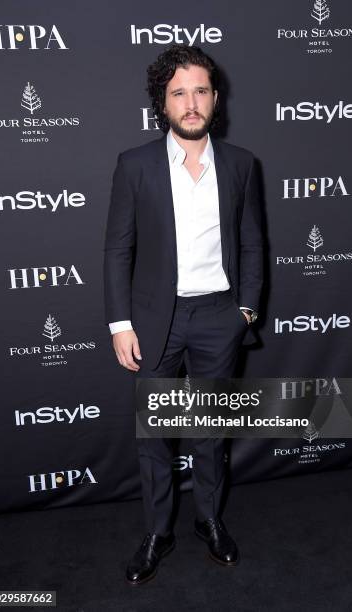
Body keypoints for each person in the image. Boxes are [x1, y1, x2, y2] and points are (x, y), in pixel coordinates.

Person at [103, 43, 264, 585]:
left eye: (200, 91)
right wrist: (120, 322)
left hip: (220, 315)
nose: (191, 103)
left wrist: (245, 310)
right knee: (155, 435)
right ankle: (157, 530)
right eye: (179, 93)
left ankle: (209, 520)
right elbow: (117, 250)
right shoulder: (136, 164)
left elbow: (251, 243)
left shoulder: (242, 164)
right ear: (163, 103)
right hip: (155, 322)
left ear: (215, 99)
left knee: (210, 432)